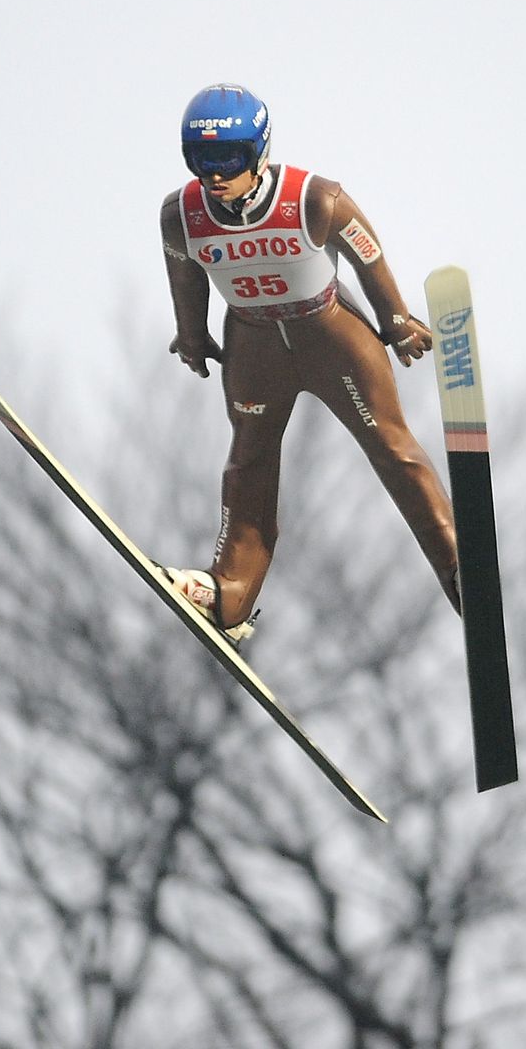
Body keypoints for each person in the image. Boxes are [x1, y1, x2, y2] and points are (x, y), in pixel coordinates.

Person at [156, 83, 460, 643]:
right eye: (202, 160)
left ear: (260, 152)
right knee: (247, 458)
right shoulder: (182, 215)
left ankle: (459, 568)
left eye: (230, 158)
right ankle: (231, 591)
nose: (216, 174)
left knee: (390, 446)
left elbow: (368, 254)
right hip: (253, 345)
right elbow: (186, 275)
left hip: (330, 336)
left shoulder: (316, 199)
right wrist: (192, 335)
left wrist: (395, 322)